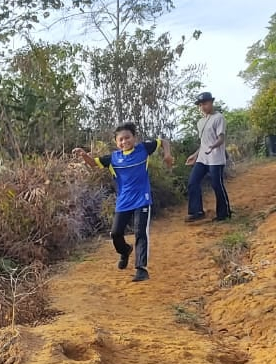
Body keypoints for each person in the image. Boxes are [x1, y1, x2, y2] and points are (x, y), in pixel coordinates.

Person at [73, 124, 173, 283]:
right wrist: (84, 155)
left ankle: (141, 269)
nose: (124, 141)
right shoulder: (113, 158)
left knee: (141, 232)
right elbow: (93, 163)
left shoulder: (143, 149)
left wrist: (167, 155)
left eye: (127, 137)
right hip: (124, 201)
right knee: (116, 233)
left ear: (134, 138)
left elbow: (163, 141)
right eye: (121, 139)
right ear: (116, 142)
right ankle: (125, 251)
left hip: (142, 198)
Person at [186, 91, 232, 224]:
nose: (202, 107)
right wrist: (194, 155)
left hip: (216, 158)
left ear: (211, 102)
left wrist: (213, 146)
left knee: (216, 184)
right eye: (200, 105)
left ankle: (224, 213)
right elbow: (203, 143)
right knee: (193, 182)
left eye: (205, 103)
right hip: (202, 158)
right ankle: (197, 212)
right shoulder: (200, 122)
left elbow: (221, 138)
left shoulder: (219, 118)